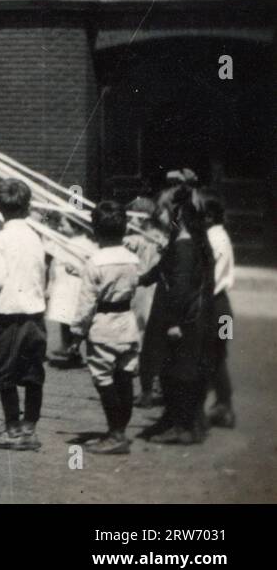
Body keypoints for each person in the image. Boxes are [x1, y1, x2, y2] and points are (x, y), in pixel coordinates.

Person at [140, 178, 214, 445]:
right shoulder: (188, 240)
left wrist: (175, 322)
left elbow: (181, 286)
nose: (158, 215)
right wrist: (142, 278)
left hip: (180, 318)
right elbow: (162, 269)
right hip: (187, 316)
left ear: (176, 214)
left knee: (177, 372)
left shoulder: (184, 244)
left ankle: (182, 426)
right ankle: (176, 419)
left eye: (163, 211)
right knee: (178, 369)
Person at [0, 178, 48, 451]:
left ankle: (12, 428)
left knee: (5, 373)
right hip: (35, 315)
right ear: (28, 206)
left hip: (8, 316)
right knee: (33, 372)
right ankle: (30, 428)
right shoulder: (35, 236)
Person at [69, 201, 141, 455]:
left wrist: (77, 333)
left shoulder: (95, 262)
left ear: (95, 231)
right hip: (128, 323)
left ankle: (115, 433)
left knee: (103, 378)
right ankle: (120, 429)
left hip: (103, 326)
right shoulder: (133, 259)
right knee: (125, 374)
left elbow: (87, 303)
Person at [124, 195, 168, 407]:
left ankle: (144, 373)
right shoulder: (161, 237)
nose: (128, 222)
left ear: (141, 219)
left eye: (131, 217)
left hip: (142, 289)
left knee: (141, 328)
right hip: (153, 288)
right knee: (148, 329)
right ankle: (153, 376)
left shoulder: (136, 240)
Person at [201, 190, 235, 429]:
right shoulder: (219, 235)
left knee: (214, 357)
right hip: (224, 309)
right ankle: (224, 405)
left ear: (209, 216)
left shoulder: (213, 239)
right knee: (218, 357)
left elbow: (208, 278)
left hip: (216, 308)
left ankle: (224, 406)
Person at [45, 212, 96, 367]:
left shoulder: (84, 244)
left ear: (76, 227)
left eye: (64, 224)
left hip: (74, 286)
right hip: (63, 286)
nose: (60, 227)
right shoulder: (64, 242)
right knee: (65, 318)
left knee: (75, 319)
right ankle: (66, 346)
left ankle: (74, 348)